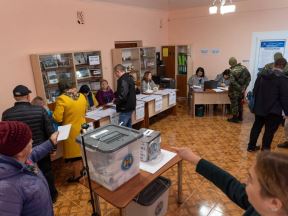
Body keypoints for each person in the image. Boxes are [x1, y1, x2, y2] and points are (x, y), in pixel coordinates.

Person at [174, 147, 288, 216]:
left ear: (274, 203)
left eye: (251, 180)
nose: (244, 181)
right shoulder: (265, 207)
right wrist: (194, 158)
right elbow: (230, 184)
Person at [1, 85, 58, 202]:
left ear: (14, 97)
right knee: (46, 173)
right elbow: (50, 131)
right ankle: (52, 197)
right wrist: (53, 149)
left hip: (19, 153)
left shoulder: (6, 114)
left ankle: (33, 200)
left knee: (24, 179)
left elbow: (7, 137)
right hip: (42, 149)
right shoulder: (40, 110)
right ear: (28, 96)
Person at [0, 121, 58, 216]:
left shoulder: (19, 158)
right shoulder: (6, 189)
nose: (32, 141)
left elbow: (34, 153)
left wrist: (51, 142)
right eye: (29, 140)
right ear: (20, 151)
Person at [247, 58, 288, 152]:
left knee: (256, 127)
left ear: (274, 64)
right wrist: (287, 112)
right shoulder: (283, 79)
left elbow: (255, 91)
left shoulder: (262, 76)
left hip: (260, 107)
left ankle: (251, 147)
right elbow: (284, 97)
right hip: (274, 110)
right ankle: (265, 151)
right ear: (283, 66)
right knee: (269, 131)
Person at [53, 79, 87, 182]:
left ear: (61, 88)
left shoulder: (61, 99)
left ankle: (78, 176)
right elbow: (84, 111)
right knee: (81, 152)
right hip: (82, 127)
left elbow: (57, 118)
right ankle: (83, 170)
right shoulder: (81, 96)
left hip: (70, 131)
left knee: (74, 156)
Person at [227, 57, 251, 123]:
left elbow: (232, 82)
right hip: (241, 91)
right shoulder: (244, 68)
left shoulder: (232, 70)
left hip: (234, 91)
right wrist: (244, 88)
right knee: (240, 103)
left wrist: (239, 88)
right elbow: (249, 78)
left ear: (230, 63)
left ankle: (234, 118)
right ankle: (240, 117)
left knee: (234, 104)